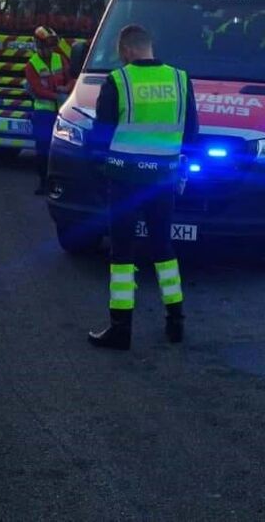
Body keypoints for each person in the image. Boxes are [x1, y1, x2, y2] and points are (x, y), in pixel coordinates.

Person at [88, 25, 198, 351]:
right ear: (149, 47)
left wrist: (98, 170)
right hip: (163, 180)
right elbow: (191, 134)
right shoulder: (180, 80)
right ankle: (175, 322)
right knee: (163, 249)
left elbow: (100, 137)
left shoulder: (118, 81)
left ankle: (120, 329)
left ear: (126, 51)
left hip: (124, 180)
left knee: (122, 253)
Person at [25, 26, 72, 195]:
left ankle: (61, 182)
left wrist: (66, 88)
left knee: (62, 150)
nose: (49, 50)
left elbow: (71, 79)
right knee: (43, 150)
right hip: (43, 114)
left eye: (51, 46)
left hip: (61, 113)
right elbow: (37, 90)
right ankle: (43, 182)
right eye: (45, 46)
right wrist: (56, 96)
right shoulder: (32, 65)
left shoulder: (60, 59)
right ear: (38, 45)